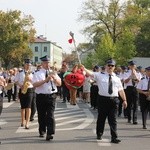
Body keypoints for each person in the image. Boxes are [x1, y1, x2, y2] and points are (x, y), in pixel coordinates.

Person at [81, 59, 127, 144]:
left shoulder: (117, 78)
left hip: (114, 100)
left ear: (114, 67)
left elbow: (121, 90)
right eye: (108, 65)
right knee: (101, 118)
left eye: (112, 66)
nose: (110, 67)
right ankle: (99, 133)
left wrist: (124, 100)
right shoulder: (100, 75)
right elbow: (91, 73)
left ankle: (114, 137)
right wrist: (84, 69)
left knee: (113, 119)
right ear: (106, 66)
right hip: (103, 100)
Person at [32, 55, 61, 141]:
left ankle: (50, 133)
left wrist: (54, 79)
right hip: (41, 96)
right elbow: (34, 85)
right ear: (42, 63)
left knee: (50, 115)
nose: (47, 64)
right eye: (45, 63)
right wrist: (45, 80)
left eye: (48, 63)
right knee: (41, 114)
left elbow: (59, 83)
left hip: (51, 96)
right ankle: (42, 130)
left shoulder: (53, 72)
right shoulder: (37, 73)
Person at [15, 59, 34, 129]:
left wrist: (30, 79)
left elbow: (35, 82)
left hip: (29, 89)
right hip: (22, 89)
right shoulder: (20, 72)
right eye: (27, 64)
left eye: (29, 65)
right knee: (23, 107)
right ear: (24, 65)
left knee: (28, 106)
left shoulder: (33, 73)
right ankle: (22, 121)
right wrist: (20, 85)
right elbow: (15, 81)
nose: (28, 66)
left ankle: (27, 122)